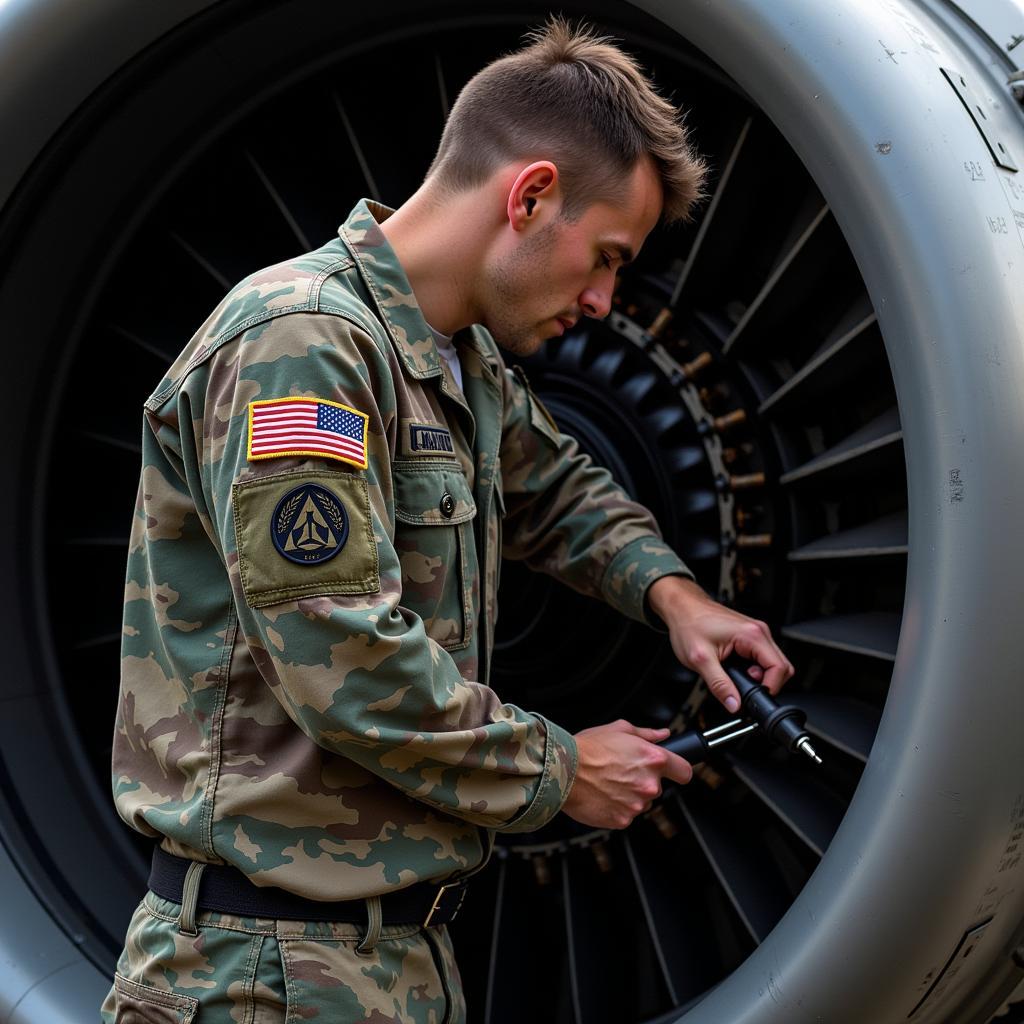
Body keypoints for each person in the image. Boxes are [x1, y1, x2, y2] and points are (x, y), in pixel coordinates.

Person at [101, 16, 793, 1024]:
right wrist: (562, 770)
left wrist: (676, 598)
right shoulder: (302, 345)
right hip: (258, 976)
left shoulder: (452, 360)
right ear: (529, 196)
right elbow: (340, 659)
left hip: (384, 964)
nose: (604, 299)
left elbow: (554, 489)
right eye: (603, 258)